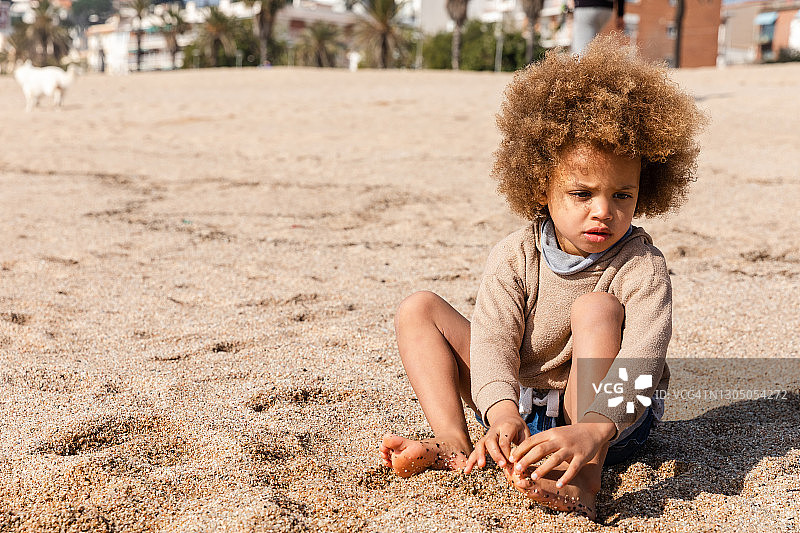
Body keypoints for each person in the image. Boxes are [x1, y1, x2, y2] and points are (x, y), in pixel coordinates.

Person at [378, 36, 705, 521]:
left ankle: (585, 477)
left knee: (595, 307)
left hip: (609, 421)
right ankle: (452, 442)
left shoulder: (642, 266)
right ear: (539, 185)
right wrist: (501, 411)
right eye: (582, 194)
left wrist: (595, 428)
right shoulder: (515, 255)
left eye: (622, 195)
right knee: (419, 309)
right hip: (520, 410)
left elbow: (644, 359)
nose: (604, 211)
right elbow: (493, 341)